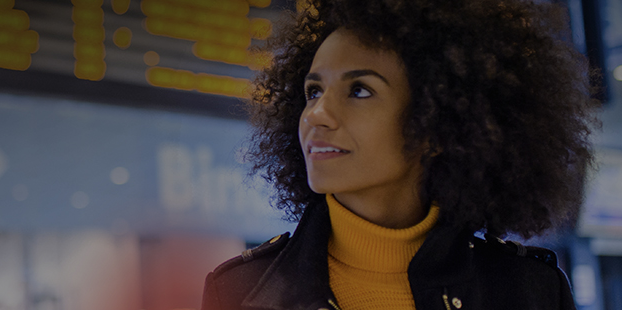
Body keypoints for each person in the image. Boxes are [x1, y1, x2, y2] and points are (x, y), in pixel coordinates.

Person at [201, 0, 598, 309]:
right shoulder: (237, 292)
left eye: (359, 90)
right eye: (313, 91)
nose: (316, 115)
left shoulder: (530, 291)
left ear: (437, 124)